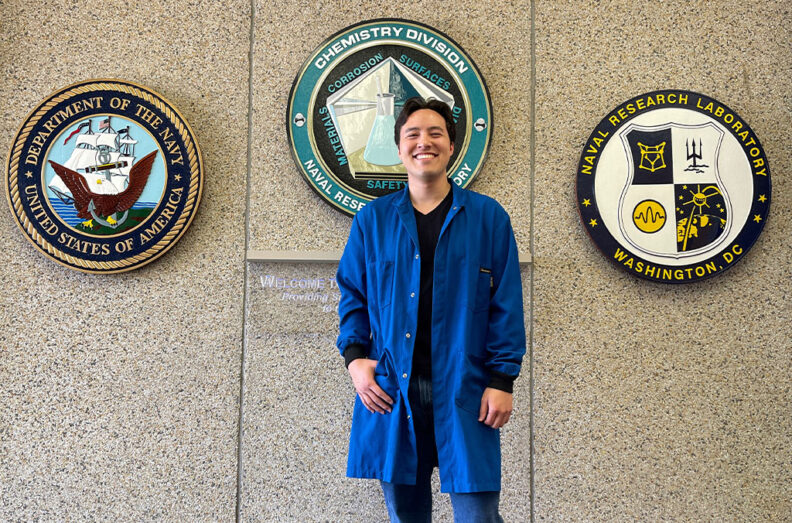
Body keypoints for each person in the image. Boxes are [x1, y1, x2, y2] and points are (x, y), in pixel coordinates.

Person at [336, 97, 525, 522]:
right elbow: (353, 296)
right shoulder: (373, 220)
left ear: (452, 146)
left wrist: (502, 379)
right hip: (393, 390)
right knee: (406, 515)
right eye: (413, 135)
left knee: (479, 515)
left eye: (435, 133)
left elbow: (506, 303)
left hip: (467, 390)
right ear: (400, 149)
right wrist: (354, 360)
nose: (425, 142)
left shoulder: (488, 218)